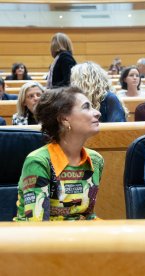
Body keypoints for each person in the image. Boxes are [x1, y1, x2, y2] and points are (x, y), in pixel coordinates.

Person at [14, 86, 104, 221]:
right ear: (64, 119)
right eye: (86, 107)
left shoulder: (95, 160)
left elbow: (87, 215)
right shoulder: (38, 162)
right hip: (44, 239)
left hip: (82, 236)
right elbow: (37, 224)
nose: (97, 113)